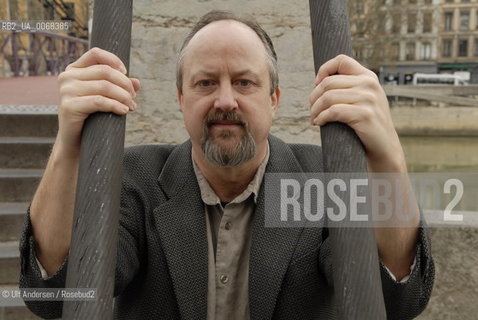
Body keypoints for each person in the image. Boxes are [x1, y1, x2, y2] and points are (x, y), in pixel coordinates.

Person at [20, 10, 434, 320]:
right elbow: (55, 296)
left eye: (244, 82)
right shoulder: (133, 178)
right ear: (181, 99)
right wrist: (69, 145)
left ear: (273, 99)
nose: (225, 100)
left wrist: (387, 155)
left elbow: (396, 296)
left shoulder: (323, 180)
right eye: (205, 83)